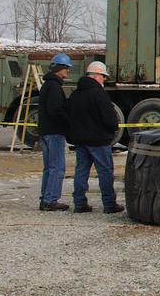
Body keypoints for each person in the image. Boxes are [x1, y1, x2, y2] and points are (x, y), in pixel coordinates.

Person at [66, 61, 124, 214]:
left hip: (80, 140)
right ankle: (109, 204)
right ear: (97, 76)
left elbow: (69, 115)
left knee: (81, 172)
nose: (104, 79)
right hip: (99, 141)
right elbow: (110, 119)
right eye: (103, 76)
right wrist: (112, 128)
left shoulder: (75, 94)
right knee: (105, 172)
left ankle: (79, 203)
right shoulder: (100, 94)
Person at [36, 53, 72, 211]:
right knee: (57, 167)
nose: (68, 71)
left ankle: (45, 198)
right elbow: (56, 110)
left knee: (49, 167)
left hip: (45, 131)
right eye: (66, 68)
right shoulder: (55, 87)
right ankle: (50, 200)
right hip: (54, 132)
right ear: (59, 68)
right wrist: (69, 122)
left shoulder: (47, 85)